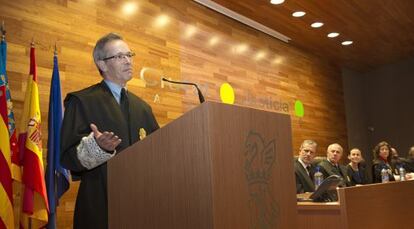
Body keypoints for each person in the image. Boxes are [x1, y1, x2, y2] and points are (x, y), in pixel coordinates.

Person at [60, 33, 159, 229]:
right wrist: (97, 148)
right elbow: (67, 157)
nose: (128, 61)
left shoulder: (143, 108)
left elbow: (159, 152)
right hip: (100, 203)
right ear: (102, 64)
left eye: (129, 55)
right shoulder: (82, 101)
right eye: (119, 56)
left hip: (142, 205)